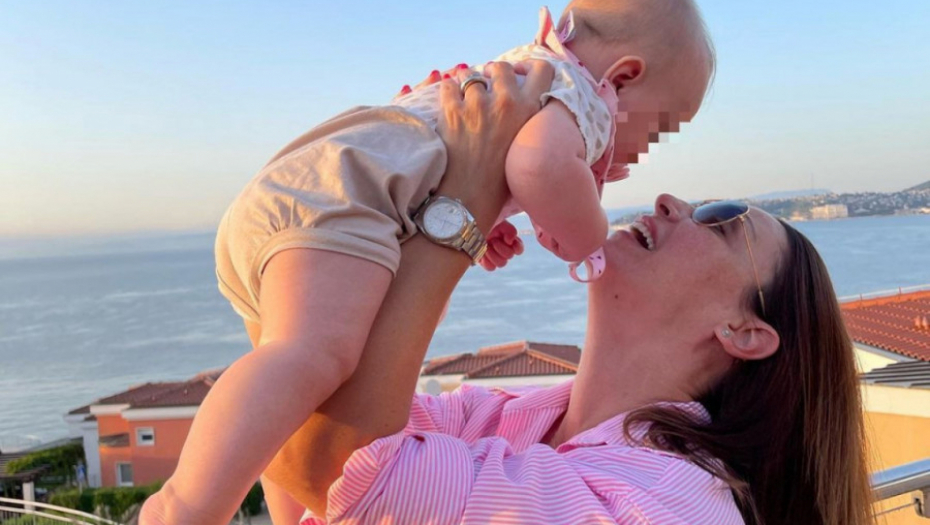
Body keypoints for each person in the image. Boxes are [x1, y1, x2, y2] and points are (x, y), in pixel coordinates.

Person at [141, 1, 716, 523]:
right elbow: (540, 167)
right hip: (344, 202)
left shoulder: (525, 71)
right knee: (309, 358)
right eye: (658, 129)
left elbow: (332, 445)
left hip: (310, 192)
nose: (644, 153)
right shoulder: (584, 99)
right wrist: (584, 230)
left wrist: (475, 216)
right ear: (624, 77)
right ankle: (183, 508)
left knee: (296, 389)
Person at [260, 81, 876, 524]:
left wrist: (460, 205)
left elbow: (330, 464)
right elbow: (291, 427)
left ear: (744, 331)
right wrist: (412, 184)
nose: (670, 201)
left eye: (719, 219)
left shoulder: (668, 505)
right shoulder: (503, 414)